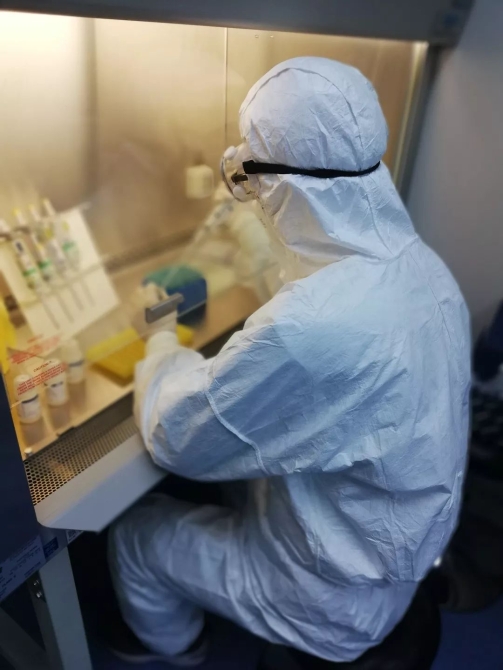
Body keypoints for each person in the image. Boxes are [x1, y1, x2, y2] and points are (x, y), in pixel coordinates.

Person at [108, 57, 471, 666]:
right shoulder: (422, 269)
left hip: (325, 598)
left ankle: (180, 650)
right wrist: (250, 234)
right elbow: (317, 268)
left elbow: (176, 434)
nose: (248, 190)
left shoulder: (311, 330)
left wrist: (162, 340)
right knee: (240, 480)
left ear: (282, 186)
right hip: (380, 555)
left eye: (254, 177)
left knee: (135, 538)